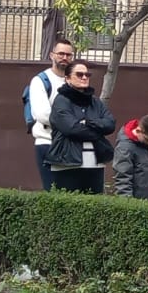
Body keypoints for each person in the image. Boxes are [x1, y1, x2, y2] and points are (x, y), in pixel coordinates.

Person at [46, 61, 116, 194]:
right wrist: (97, 131)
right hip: (67, 163)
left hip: (95, 163)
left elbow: (110, 124)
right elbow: (71, 128)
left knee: (94, 208)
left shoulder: (95, 102)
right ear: (67, 78)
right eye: (79, 74)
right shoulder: (61, 100)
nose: (84, 77)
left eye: (87, 74)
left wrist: (87, 122)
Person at [24, 36, 76, 191]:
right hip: (48, 143)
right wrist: (72, 124)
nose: (64, 58)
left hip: (71, 145)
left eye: (68, 55)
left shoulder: (74, 80)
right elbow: (42, 114)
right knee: (53, 191)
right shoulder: (41, 80)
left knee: (72, 192)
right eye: (61, 54)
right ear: (52, 55)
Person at [112, 114, 148, 200]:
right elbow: (123, 178)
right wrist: (128, 204)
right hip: (134, 203)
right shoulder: (125, 148)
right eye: (147, 139)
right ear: (138, 131)